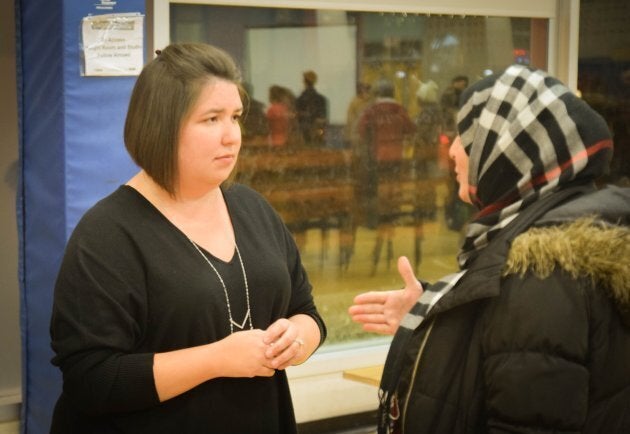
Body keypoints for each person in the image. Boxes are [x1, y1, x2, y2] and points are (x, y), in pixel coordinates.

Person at [49, 42, 326, 434]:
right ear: (161, 126)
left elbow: (307, 312)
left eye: (235, 117)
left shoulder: (253, 208)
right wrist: (216, 359)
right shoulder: (107, 234)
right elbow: (91, 379)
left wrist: (297, 337)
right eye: (211, 119)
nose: (232, 136)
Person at [349, 64, 630, 433]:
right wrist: (435, 311)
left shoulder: (542, 275)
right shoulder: (564, 236)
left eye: (466, 136)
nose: (452, 149)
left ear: (507, 150)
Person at [356, 79, 416, 272]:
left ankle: (379, 217)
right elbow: (411, 129)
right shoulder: (400, 110)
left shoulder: (371, 111)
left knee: (378, 189)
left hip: (376, 158)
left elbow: (360, 129)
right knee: (393, 188)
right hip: (396, 156)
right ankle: (392, 215)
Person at [295, 70, 328, 145]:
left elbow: (296, 116)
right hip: (317, 133)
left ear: (304, 82)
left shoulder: (300, 99)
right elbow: (324, 119)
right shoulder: (321, 99)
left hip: (303, 133)